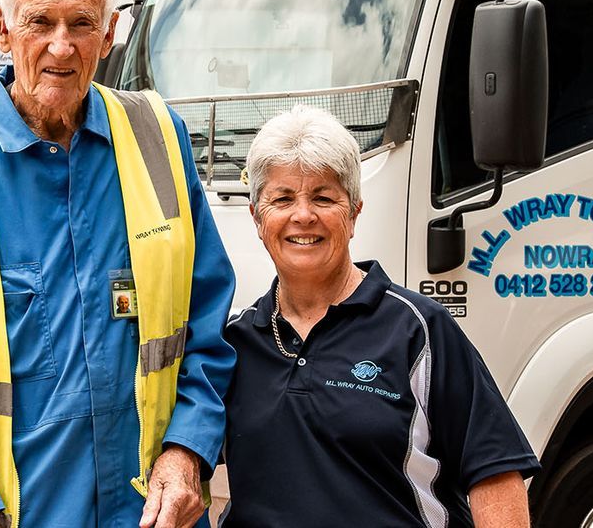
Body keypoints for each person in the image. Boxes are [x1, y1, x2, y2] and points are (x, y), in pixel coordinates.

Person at [0, 0, 237, 528]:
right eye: (39, 22)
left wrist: (187, 451)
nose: (61, 45)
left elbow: (207, 322)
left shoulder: (157, 136)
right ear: (2, 29)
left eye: (81, 23)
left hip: (152, 513)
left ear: (110, 33)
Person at [220, 105, 538, 528]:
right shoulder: (234, 342)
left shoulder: (418, 329)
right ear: (257, 218)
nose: (303, 215)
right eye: (282, 199)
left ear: (353, 213)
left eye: (323, 197)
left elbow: (494, 473)